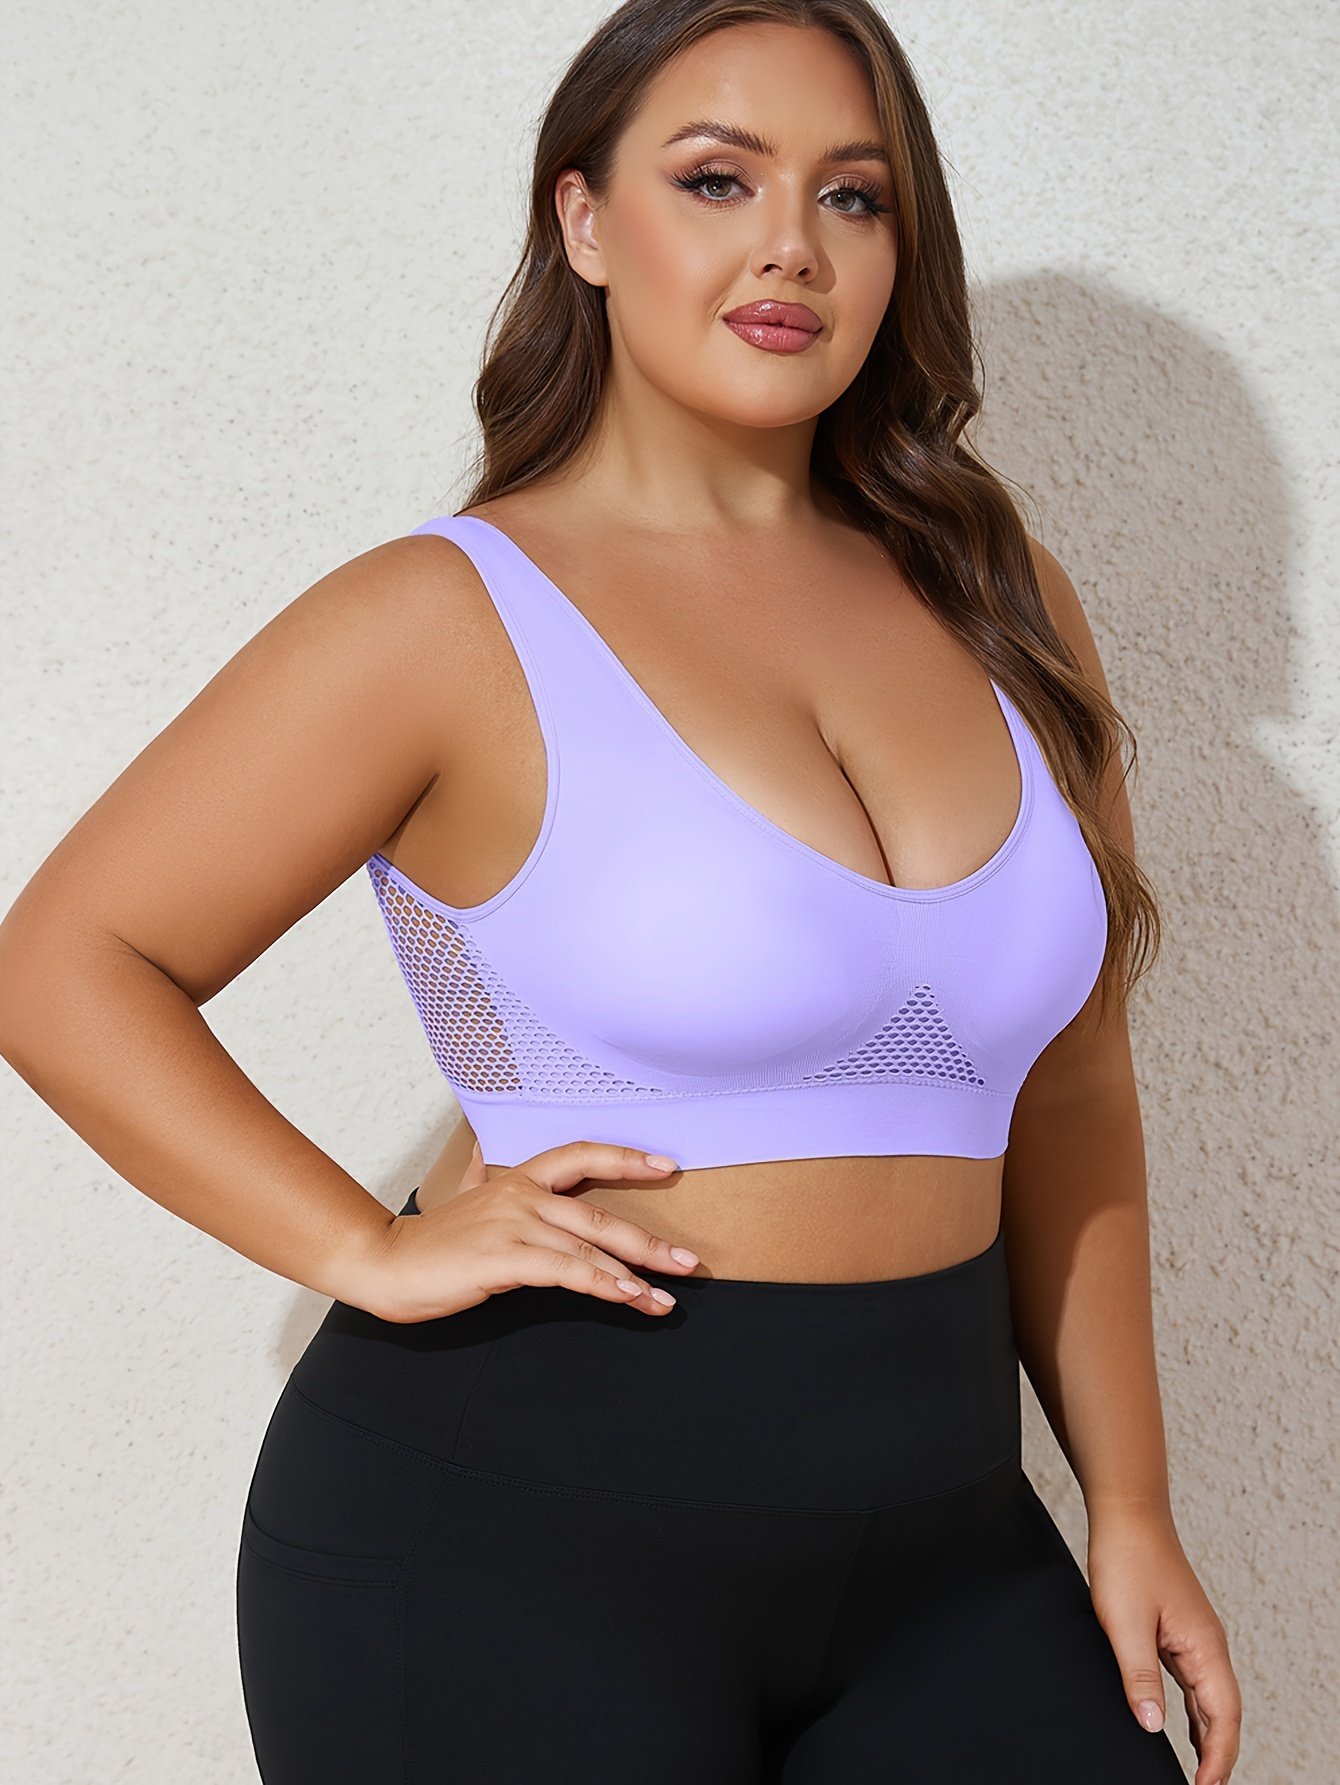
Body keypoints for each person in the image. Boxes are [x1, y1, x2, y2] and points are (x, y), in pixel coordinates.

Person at [0, 2, 1244, 1781]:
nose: (790, 247)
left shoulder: (1005, 595)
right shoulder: (445, 617)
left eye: (854, 196)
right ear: (583, 221)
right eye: (717, 180)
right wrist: (365, 1246)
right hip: (506, 1543)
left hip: (953, 1547)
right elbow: (64, 959)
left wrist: (1130, 1503)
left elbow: (1073, 1088)